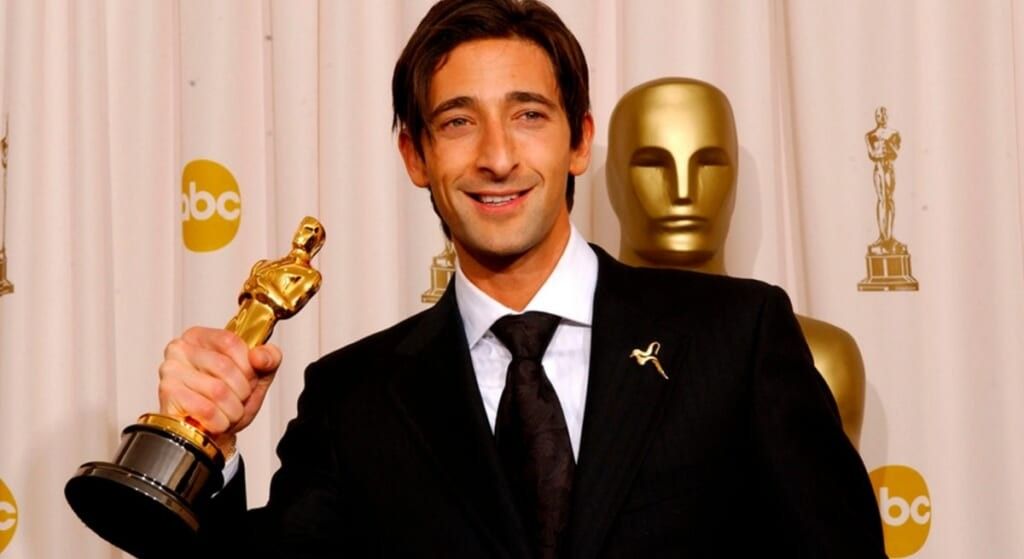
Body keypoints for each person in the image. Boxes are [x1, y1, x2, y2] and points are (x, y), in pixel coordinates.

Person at [159, 1, 886, 556]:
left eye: (529, 114)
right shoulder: (352, 399)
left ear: (580, 140)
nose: (498, 156)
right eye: (457, 122)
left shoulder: (737, 336)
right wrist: (205, 453)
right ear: (415, 156)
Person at [606, 77, 867, 447]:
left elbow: (836, 503)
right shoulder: (562, 350)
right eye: (652, 164)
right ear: (611, 181)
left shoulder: (818, 356)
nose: (683, 191)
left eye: (709, 164)